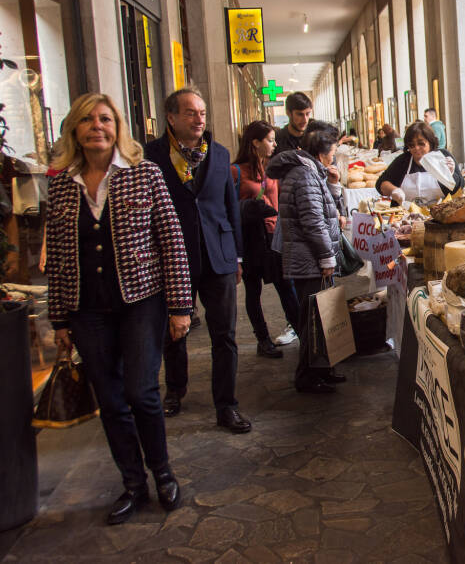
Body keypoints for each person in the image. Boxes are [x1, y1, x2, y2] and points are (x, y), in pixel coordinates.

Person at [46, 93, 190, 524]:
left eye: (105, 119)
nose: (97, 126)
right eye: (87, 120)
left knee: (141, 392)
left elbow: (171, 241)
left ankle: (162, 473)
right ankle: (132, 483)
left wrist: (180, 306)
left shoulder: (143, 174)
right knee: (109, 399)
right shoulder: (61, 183)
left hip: (140, 301)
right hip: (86, 309)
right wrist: (59, 319)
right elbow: (56, 255)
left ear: (117, 127)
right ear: (74, 129)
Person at [144, 88, 252, 433]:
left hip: (217, 255)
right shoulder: (151, 157)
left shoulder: (219, 155)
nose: (199, 119)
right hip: (173, 257)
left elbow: (229, 207)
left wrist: (236, 255)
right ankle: (175, 390)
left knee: (225, 335)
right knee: (173, 332)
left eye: (203, 113)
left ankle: (227, 405)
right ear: (171, 118)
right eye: (191, 113)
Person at [267, 121, 350, 394]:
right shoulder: (304, 175)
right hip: (309, 259)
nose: (334, 157)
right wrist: (326, 258)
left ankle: (323, 369)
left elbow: (325, 209)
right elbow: (313, 220)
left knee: (321, 316)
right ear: (321, 152)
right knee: (313, 319)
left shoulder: (313, 172)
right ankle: (307, 376)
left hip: (312, 258)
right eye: (333, 152)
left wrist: (334, 186)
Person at [231, 121, 301, 359]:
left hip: (274, 236)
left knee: (286, 285)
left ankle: (302, 331)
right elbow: (229, 209)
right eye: (270, 140)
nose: (274, 144)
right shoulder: (236, 172)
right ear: (255, 143)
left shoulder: (273, 169)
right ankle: (263, 339)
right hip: (251, 238)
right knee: (253, 290)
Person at [376, 121, 463, 206]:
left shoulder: (443, 157)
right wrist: (393, 190)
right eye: (412, 145)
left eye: (421, 144)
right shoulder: (403, 161)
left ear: (430, 142)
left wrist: (451, 175)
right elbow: (381, 183)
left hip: (439, 215)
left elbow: (460, 188)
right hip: (406, 216)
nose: (416, 148)